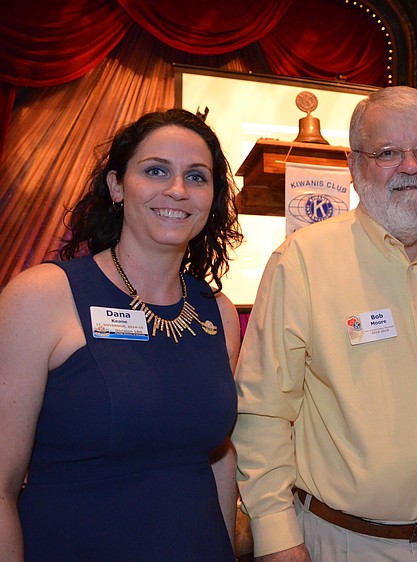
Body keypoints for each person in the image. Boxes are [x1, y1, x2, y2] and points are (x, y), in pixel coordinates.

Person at [232, 86, 417, 562]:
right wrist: (276, 535)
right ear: (354, 167)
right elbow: (263, 413)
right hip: (343, 544)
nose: (411, 166)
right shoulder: (302, 263)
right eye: (387, 152)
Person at [0, 108, 243, 561]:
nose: (177, 190)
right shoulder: (41, 296)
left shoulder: (219, 313)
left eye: (197, 177)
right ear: (116, 186)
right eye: (156, 171)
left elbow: (219, 459)